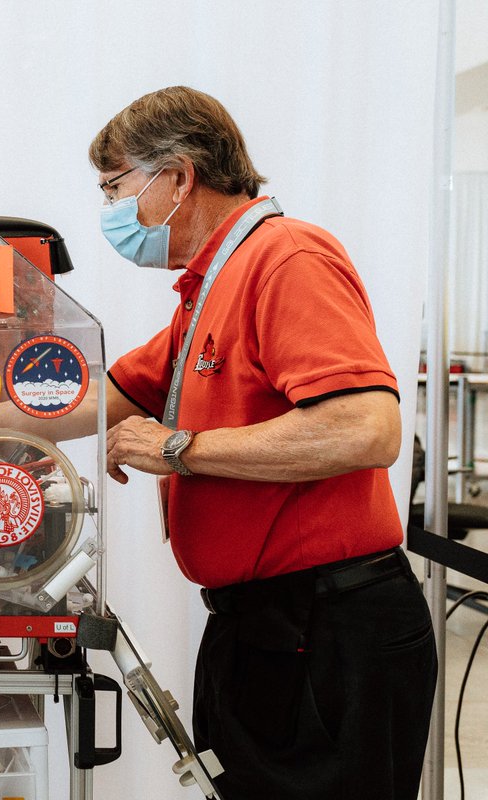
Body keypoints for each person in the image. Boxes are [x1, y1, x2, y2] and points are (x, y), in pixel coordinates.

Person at [90, 87, 436, 799]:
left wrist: (180, 448)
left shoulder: (286, 258)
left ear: (180, 178)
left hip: (331, 629)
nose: (112, 212)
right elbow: (91, 402)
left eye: (116, 187)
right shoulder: (206, 290)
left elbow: (366, 429)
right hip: (260, 629)